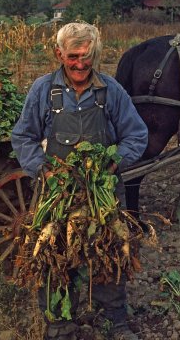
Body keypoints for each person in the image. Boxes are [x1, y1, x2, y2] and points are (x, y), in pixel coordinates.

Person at [11, 22, 148, 340]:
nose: (81, 64)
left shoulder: (110, 90)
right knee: (56, 255)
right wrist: (43, 170)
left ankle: (114, 319)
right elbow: (23, 137)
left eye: (88, 56)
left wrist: (114, 163)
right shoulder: (44, 90)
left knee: (109, 251)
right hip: (57, 195)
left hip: (103, 194)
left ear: (96, 54)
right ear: (59, 54)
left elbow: (136, 135)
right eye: (73, 56)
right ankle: (59, 324)